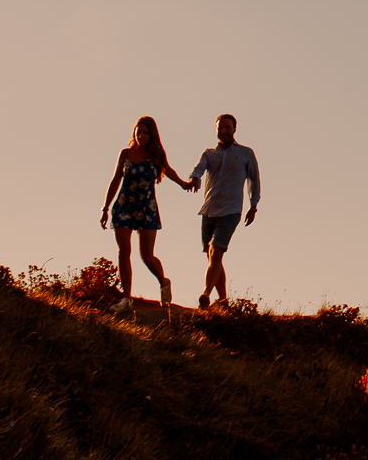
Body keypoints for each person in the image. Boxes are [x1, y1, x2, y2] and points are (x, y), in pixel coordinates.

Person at [100, 115, 193, 315]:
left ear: (152, 135)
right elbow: (116, 179)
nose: (141, 136)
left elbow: (168, 171)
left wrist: (184, 184)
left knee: (147, 256)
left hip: (146, 208)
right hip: (123, 206)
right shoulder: (125, 153)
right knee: (123, 251)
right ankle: (127, 298)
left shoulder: (156, 155)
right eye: (138, 132)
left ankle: (163, 281)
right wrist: (105, 208)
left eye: (145, 133)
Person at [186, 113, 262, 309]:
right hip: (209, 209)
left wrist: (254, 206)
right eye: (220, 128)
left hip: (231, 210)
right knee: (213, 256)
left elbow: (254, 180)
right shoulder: (209, 154)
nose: (224, 131)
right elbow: (199, 168)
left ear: (234, 129)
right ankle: (223, 300)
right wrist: (194, 178)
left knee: (216, 251)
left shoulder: (246, 153)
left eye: (227, 127)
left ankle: (205, 294)